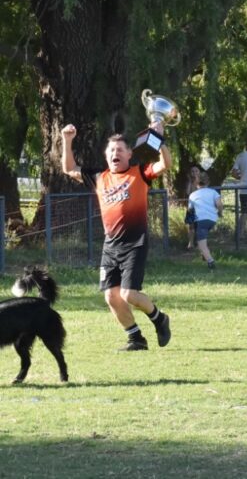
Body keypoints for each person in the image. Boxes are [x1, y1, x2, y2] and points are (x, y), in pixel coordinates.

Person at [60, 122, 172, 351]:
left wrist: (159, 139)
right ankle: (136, 339)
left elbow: (165, 164)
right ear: (106, 156)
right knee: (111, 296)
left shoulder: (139, 173)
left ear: (130, 154)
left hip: (135, 243)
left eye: (120, 149)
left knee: (128, 294)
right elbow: (69, 168)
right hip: (110, 246)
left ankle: (159, 318)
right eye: (111, 150)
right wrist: (67, 140)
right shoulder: (99, 177)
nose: (115, 153)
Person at [188, 171, 223, 269]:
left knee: (201, 243)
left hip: (200, 220)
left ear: (196, 182)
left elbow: (190, 210)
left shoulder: (193, 195)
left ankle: (210, 262)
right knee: (203, 238)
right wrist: (220, 213)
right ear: (208, 182)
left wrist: (190, 224)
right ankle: (204, 255)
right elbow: (219, 204)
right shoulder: (213, 192)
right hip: (212, 220)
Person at [185, 166, 201, 251]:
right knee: (191, 226)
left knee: (199, 226)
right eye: (192, 171)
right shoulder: (189, 182)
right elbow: (188, 192)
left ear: (199, 172)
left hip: (200, 208)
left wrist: (197, 181)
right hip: (191, 207)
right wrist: (190, 182)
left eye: (196, 171)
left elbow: (201, 192)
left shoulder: (201, 182)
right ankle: (190, 244)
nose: (194, 173)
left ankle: (199, 244)